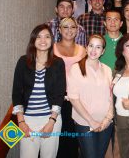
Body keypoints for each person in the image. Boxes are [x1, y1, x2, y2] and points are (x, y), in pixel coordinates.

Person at [12, 24, 66, 158]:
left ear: (51, 40)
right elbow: (16, 93)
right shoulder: (23, 62)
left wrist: (52, 121)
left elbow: (60, 94)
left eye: (47, 37)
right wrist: (21, 121)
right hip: (27, 120)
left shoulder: (58, 63)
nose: (43, 40)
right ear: (33, 40)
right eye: (39, 37)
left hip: (50, 119)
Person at [67, 34, 113, 158]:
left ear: (103, 51)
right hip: (84, 123)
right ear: (86, 48)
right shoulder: (76, 68)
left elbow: (111, 97)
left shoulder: (107, 70)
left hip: (105, 124)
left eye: (98, 47)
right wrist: (91, 121)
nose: (94, 50)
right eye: (91, 46)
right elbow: (73, 98)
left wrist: (107, 119)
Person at [53, 17, 86, 158]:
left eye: (72, 27)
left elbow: (86, 74)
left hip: (77, 98)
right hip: (57, 97)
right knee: (58, 135)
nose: (69, 30)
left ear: (77, 30)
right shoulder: (51, 48)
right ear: (59, 30)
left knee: (73, 136)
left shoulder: (83, 50)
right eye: (65, 27)